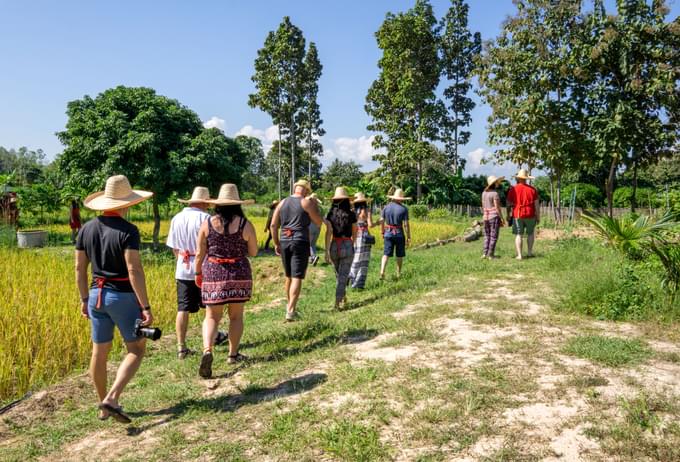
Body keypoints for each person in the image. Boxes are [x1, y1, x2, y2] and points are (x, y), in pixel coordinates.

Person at [75, 175, 153, 424]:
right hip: (121, 296)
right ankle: (112, 396)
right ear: (126, 203)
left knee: (99, 352)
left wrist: (83, 299)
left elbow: (79, 269)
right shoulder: (128, 231)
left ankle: (103, 407)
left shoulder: (86, 229)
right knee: (137, 348)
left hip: (95, 296)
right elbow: (133, 270)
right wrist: (145, 306)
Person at [194, 184, 258, 378]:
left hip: (213, 272)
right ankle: (232, 354)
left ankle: (207, 350)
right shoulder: (245, 224)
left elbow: (199, 253)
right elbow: (254, 252)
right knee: (236, 317)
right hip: (239, 273)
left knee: (212, 316)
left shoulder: (207, 224)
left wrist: (198, 273)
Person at [166, 186, 227, 360]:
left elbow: (175, 249)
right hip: (205, 268)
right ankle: (211, 341)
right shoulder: (207, 218)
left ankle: (181, 347)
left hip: (183, 268)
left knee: (183, 307)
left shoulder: (176, 218)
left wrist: (184, 261)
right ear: (204, 203)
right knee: (210, 308)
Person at [270, 179, 324, 322]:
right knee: (297, 276)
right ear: (306, 191)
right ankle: (291, 310)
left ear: (295, 188)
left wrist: (276, 243)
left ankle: (289, 306)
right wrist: (313, 205)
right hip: (300, 241)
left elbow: (274, 225)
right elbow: (318, 221)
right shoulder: (305, 203)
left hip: (284, 240)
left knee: (288, 276)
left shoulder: (282, 203)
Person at [324, 187, 357, 310]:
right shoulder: (351, 214)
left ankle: (343, 297)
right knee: (342, 276)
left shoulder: (330, 214)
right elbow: (355, 231)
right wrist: (353, 244)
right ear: (347, 200)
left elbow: (328, 233)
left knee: (339, 275)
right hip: (347, 244)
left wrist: (327, 250)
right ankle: (337, 303)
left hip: (334, 245)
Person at [506, 169, 540, 260]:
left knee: (518, 234)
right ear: (526, 179)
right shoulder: (533, 190)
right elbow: (536, 205)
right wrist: (538, 216)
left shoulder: (513, 189)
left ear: (518, 178)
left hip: (518, 213)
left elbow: (508, 203)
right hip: (530, 214)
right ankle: (529, 252)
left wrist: (508, 214)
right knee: (530, 233)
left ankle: (520, 255)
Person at [379, 188, 411, 280]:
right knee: (399, 254)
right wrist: (408, 236)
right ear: (401, 199)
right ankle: (398, 273)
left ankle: (382, 271)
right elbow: (405, 224)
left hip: (388, 233)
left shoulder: (386, 207)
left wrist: (382, 232)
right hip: (399, 234)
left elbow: (381, 221)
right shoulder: (404, 209)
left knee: (386, 254)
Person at [349, 192, 377, 289]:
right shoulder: (367, 210)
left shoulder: (352, 211)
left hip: (355, 234)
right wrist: (379, 222)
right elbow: (370, 225)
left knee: (355, 258)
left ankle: (351, 278)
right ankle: (359, 284)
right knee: (364, 260)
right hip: (364, 234)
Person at [481, 176, 506, 259]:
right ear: (494, 183)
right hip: (494, 217)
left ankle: (485, 253)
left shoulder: (484, 193)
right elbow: (497, 207)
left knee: (486, 235)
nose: (498, 184)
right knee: (493, 236)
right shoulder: (495, 194)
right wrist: (502, 218)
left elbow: (483, 205)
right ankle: (491, 255)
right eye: (497, 182)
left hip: (485, 217)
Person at [307, 193, 322, 266]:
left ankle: (313, 257)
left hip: (310, 226)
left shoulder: (309, 207)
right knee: (313, 244)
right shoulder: (319, 208)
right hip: (318, 227)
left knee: (308, 244)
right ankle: (311, 259)